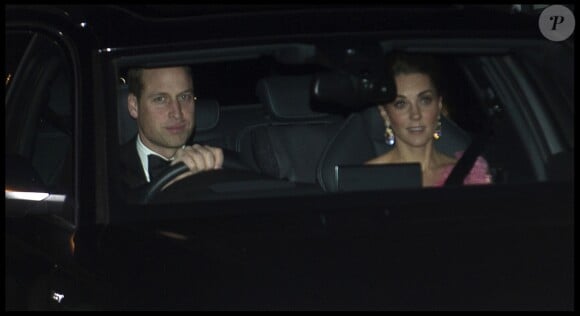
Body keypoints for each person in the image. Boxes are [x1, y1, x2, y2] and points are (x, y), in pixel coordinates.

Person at [365, 53, 492, 187]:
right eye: (401, 104)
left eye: (425, 100)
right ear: (384, 113)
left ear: (439, 106)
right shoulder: (370, 178)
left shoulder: (470, 175)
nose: (415, 114)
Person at [119, 65, 224, 190]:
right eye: (160, 99)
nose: (177, 113)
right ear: (134, 106)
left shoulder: (219, 164)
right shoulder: (105, 172)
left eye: (184, 97)